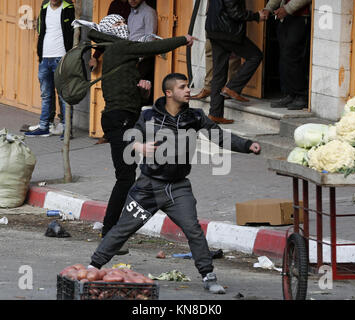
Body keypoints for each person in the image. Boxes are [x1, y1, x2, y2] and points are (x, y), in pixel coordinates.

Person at [87, 73, 261, 294]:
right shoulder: (149, 116)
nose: (188, 90)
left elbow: (220, 137)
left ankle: (208, 275)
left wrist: (247, 145)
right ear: (169, 93)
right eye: (182, 87)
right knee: (123, 229)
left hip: (178, 189)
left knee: (194, 230)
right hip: (147, 188)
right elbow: (129, 138)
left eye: (188, 86)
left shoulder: (195, 117)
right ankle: (92, 267)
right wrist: (140, 148)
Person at [87, 15, 196, 252]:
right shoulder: (120, 47)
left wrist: (143, 93)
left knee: (129, 176)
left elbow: (129, 96)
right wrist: (182, 40)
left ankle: (116, 231)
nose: (124, 27)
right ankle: (110, 234)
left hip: (124, 118)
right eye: (118, 25)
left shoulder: (118, 52)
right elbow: (152, 47)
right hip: (119, 120)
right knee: (125, 177)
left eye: (123, 23)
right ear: (111, 31)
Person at [205, 0, 267, 124]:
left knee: (219, 73)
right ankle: (232, 87)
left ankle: (215, 114)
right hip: (228, 32)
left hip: (215, 30)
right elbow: (235, 13)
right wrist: (256, 16)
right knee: (255, 56)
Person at [26, 0, 75, 138]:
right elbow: (41, 30)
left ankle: (67, 129)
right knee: (46, 94)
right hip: (45, 58)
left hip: (61, 57)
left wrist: (69, 56)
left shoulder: (68, 8)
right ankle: (44, 126)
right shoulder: (44, 7)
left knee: (64, 95)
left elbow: (74, 33)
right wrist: (40, 55)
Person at [263, 0, 312, 110]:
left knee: (294, 56)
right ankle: (289, 94)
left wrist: (287, 9)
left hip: (300, 17)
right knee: (285, 57)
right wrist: (268, 8)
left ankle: (301, 95)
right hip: (285, 18)